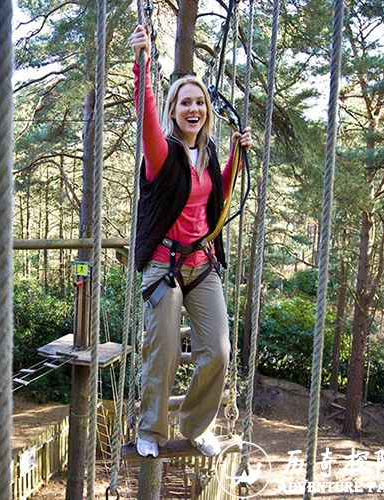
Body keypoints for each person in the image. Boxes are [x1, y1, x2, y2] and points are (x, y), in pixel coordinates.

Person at [128, 25, 252, 458]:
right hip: (165, 263)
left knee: (218, 349)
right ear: (174, 110)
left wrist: (237, 154)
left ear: (206, 111)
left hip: (202, 263)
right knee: (161, 352)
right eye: (185, 102)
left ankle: (196, 426)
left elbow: (214, 192)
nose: (194, 107)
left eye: (199, 102)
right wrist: (142, 64)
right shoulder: (161, 151)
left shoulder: (212, 151)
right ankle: (151, 431)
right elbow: (145, 116)